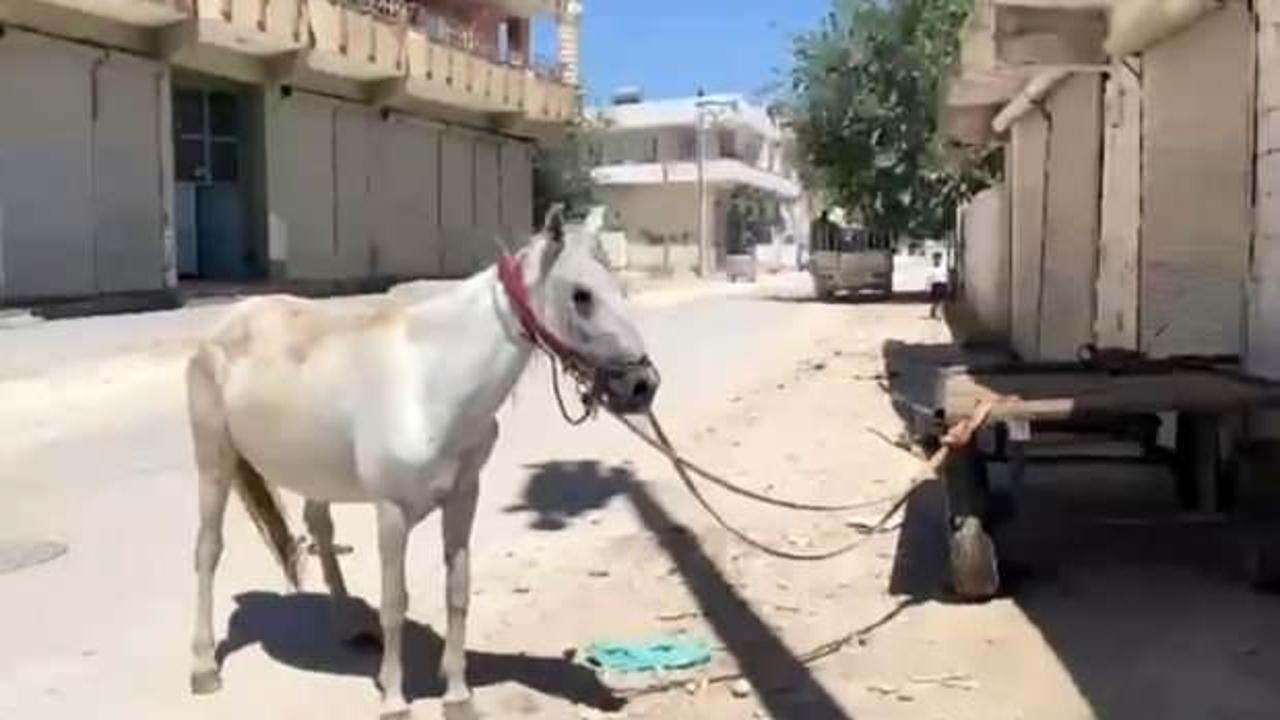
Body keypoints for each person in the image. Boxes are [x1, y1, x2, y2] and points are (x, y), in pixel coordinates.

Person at [927, 252, 948, 319]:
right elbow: (929, 278)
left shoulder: (943, 267)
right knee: (935, 301)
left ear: (941, 259)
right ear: (933, 259)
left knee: (942, 301)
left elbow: (946, 276)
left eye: (939, 258)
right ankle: (933, 311)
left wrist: (948, 285)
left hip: (943, 284)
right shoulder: (931, 268)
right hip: (935, 285)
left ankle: (940, 314)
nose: (937, 260)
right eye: (936, 258)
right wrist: (928, 288)